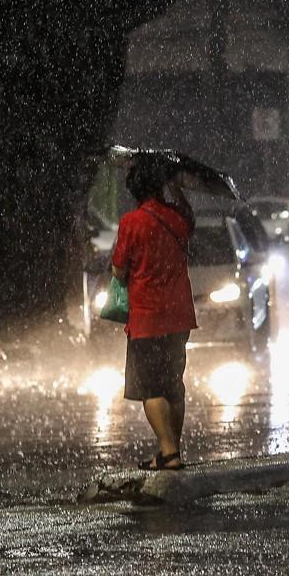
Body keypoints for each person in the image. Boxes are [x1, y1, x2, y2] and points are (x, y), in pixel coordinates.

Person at [111, 156, 196, 471]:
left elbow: (119, 270)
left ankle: (169, 453)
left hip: (147, 317)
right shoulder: (177, 219)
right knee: (174, 385)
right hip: (179, 316)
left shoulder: (132, 222)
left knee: (151, 386)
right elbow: (189, 221)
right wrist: (176, 186)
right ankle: (171, 450)